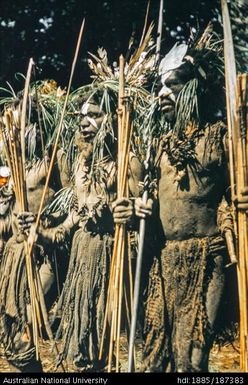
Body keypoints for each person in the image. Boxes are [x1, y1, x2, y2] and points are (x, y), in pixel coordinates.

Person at [23, 89, 143, 371]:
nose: (84, 122)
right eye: (82, 116)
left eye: (94, 115)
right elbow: (70, 223)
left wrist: (132, 211)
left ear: (112, 120)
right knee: (81, 348)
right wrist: (40, 232)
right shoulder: (80, 166)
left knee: (101, 344)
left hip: (109, 260)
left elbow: (146, 218)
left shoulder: (127, 162)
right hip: (81, 258)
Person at [141, 36, 241, 372]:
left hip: (207, 259)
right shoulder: (159, 149)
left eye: (172, 85)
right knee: (157, 359)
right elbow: (152, 205)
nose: (162, 94)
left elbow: (238, 188)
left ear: (194, 88)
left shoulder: (220, 139)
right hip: (167, 261)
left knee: (193, 361)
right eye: (159, 87)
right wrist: (138, 208)